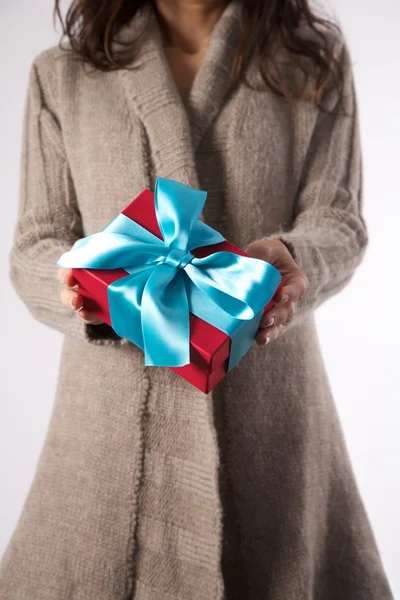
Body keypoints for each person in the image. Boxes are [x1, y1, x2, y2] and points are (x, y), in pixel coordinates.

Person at [0, 0, 393, 598]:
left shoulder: (309, 62)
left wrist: (294, 260)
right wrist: (74, 282)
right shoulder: (64, 74)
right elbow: (35, 240)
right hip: (106, 429)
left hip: (271, 412)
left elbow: (339, 221)